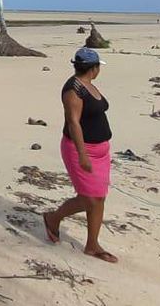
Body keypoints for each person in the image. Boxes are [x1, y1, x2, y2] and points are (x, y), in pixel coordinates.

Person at [43, 47, 116, 263]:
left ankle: (92, 244)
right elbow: (73, 122)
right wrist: (83, 154)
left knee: (98, 197)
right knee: (89, 199)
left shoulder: (88, 85)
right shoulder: (73, 89)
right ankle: (52, 218)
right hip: (80, 150)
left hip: (101, 151)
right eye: (97, 67)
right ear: (93, 68)